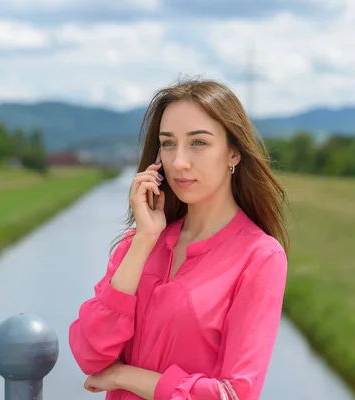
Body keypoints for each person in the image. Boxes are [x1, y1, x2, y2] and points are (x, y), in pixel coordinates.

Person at [69, 78, 290, 400]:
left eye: (198, 143)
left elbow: (234, 395)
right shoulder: (137, 244)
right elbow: (90, 355)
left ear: (233, 153)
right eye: (168, 143)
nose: (179, 162)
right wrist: (145, 239)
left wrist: (125, 375)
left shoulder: (259, 257)